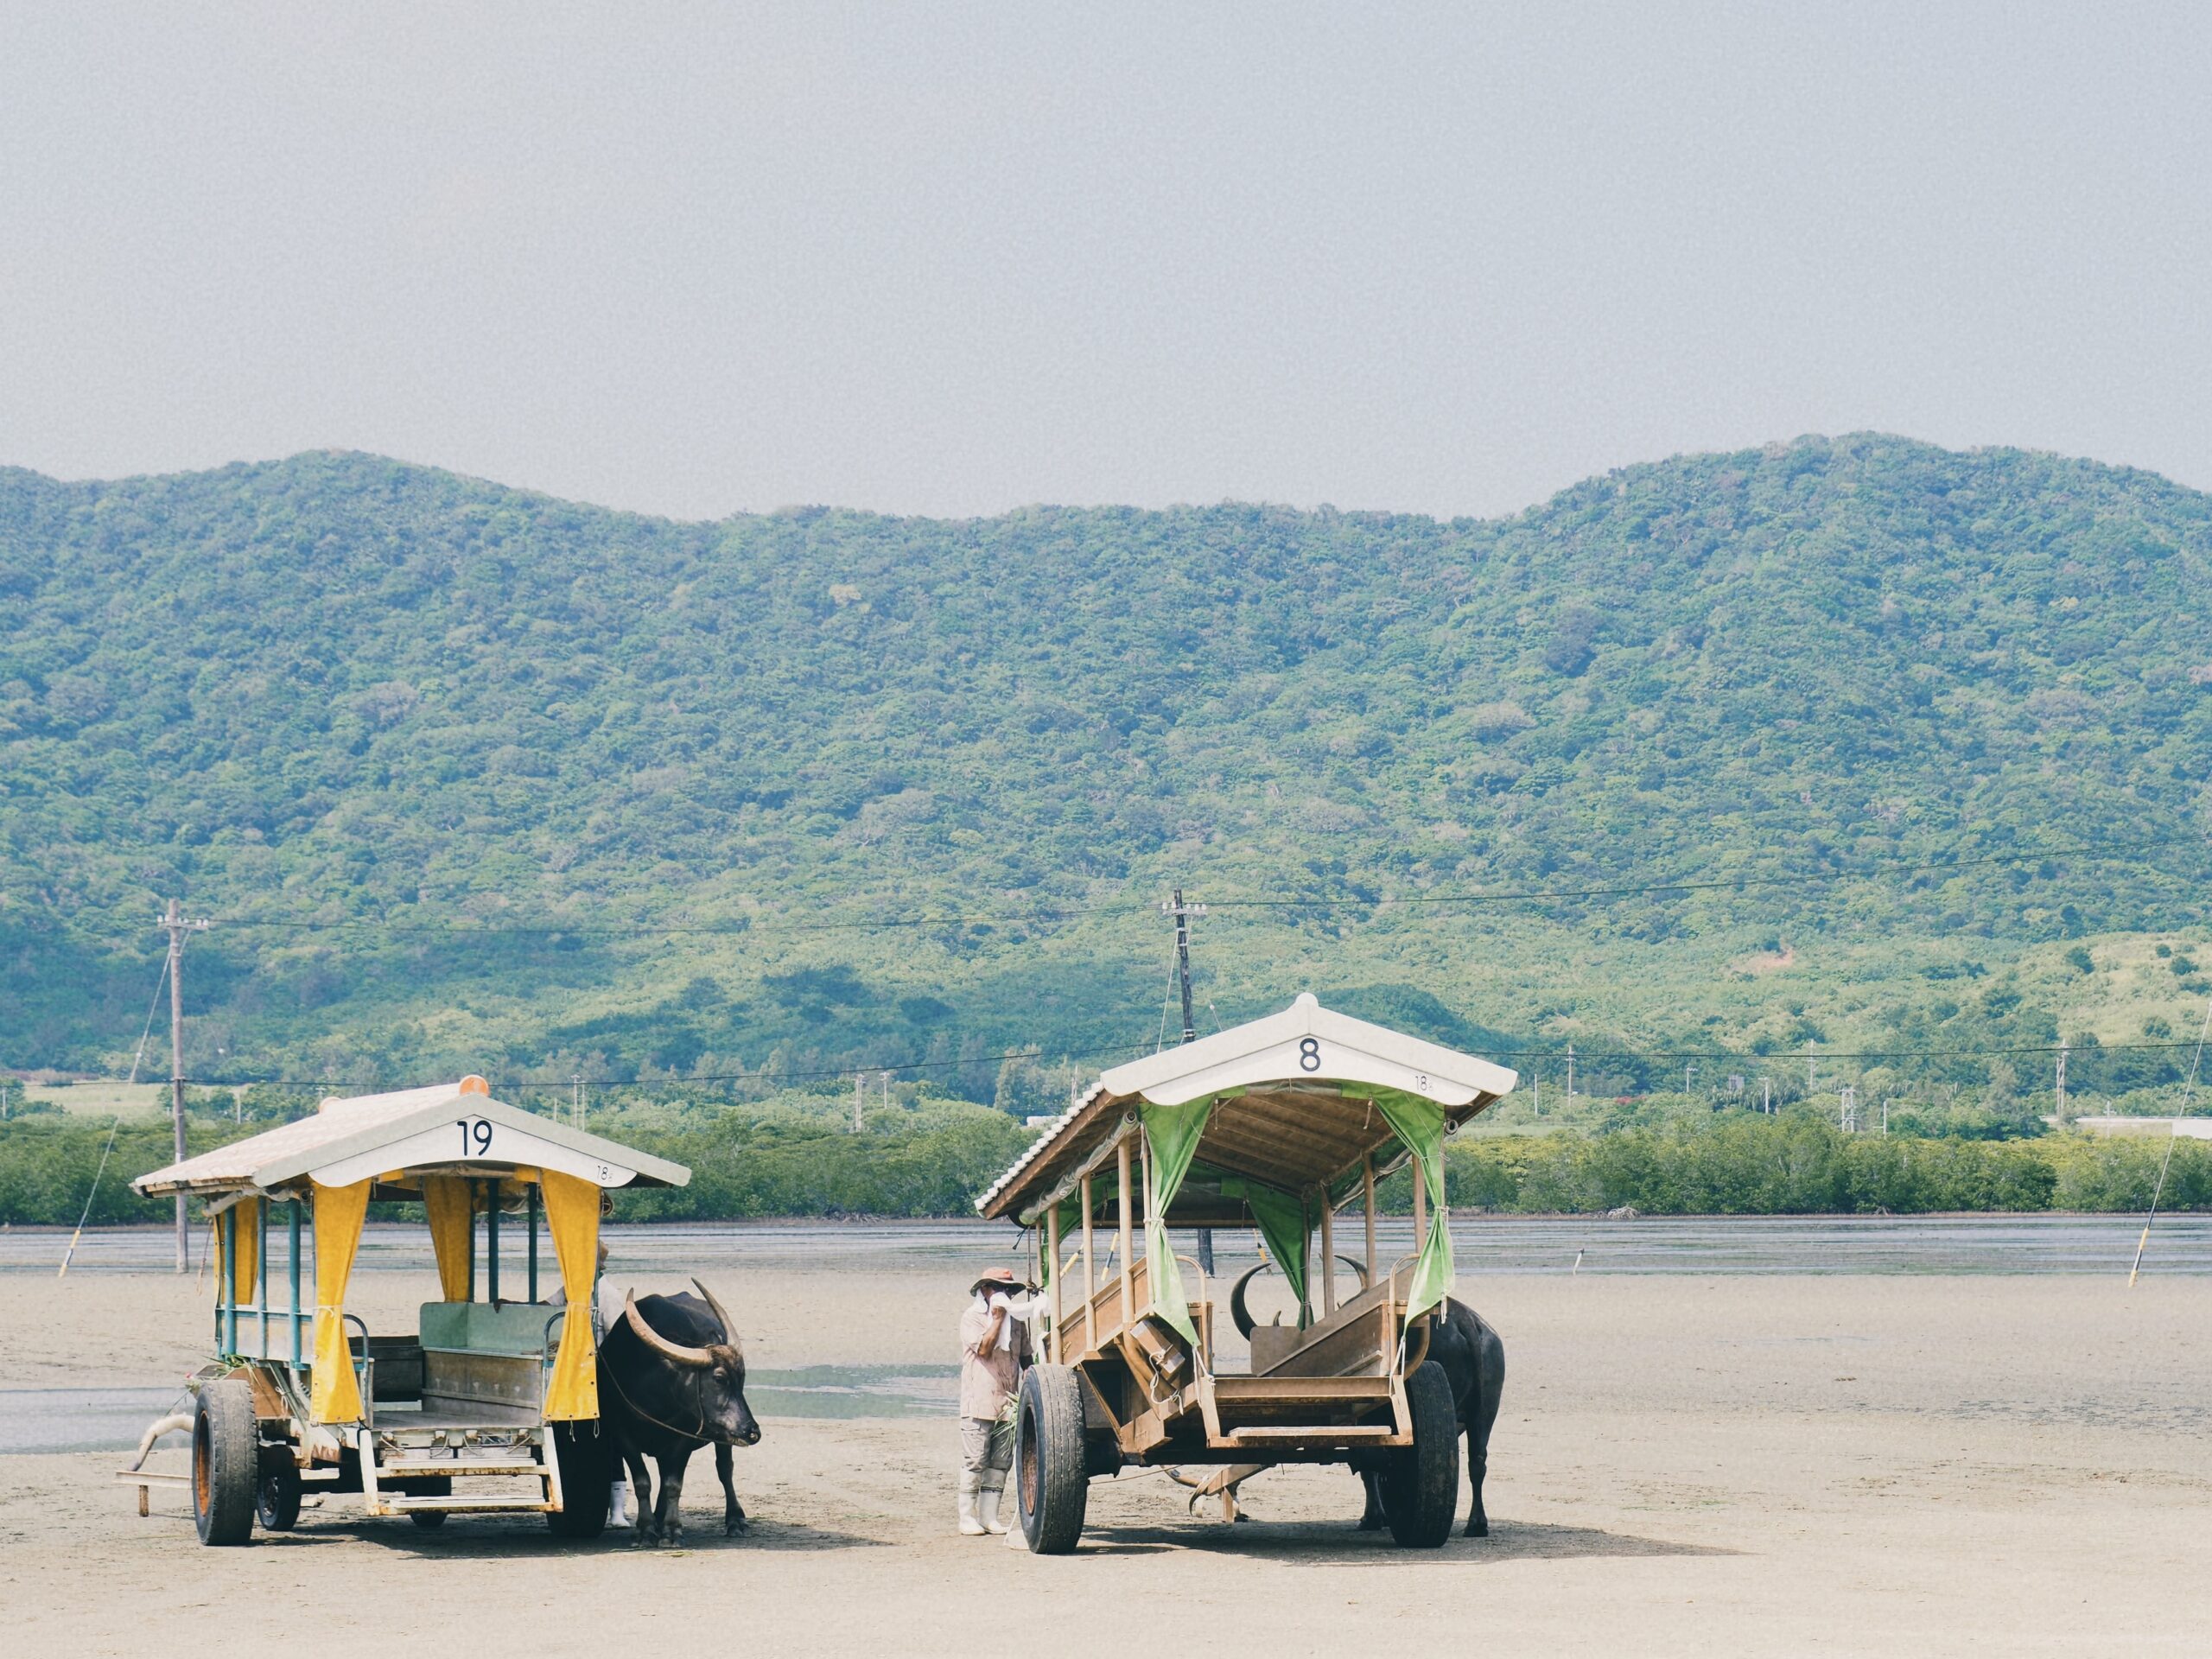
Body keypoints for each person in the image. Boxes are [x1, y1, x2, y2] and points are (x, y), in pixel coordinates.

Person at [957, 1265, 1042, 1535]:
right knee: (975, 1460)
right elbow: (984, 1349)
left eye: (1007, 1289)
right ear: (985, 1290)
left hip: (1009, 1403)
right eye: (997, 1288)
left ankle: (989, 1516)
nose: (1003, 1294)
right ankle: (966, 1518)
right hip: (979, 1401)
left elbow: (1027, 1359)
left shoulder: (1016, 1324)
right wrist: (996, 1319)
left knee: (1001, 1461)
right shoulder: (972, 1318)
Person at [551, 1236, 631, 1528]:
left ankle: (618, 1511)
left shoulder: (606, 1294)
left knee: (611, 1444)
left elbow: (621, 1336)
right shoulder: (573, 1291)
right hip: (574, 1375)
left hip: (600, 1378)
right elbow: (546, 1307)